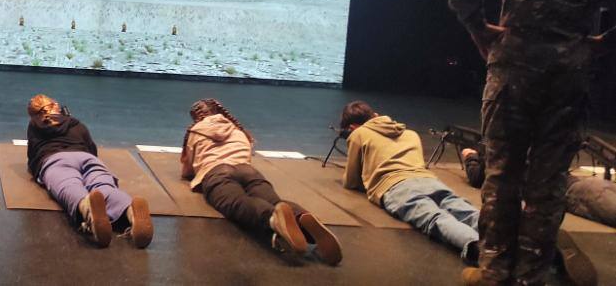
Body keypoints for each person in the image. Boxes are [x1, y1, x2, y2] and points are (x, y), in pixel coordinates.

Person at [447, 0, 615, 286]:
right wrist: (604, 43)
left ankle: (494, 272)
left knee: (502, 175)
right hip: (570, 80)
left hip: (513, 75)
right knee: (549, 181)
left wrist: (479, 30)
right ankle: (531, 277)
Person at [181, 98, 342, 264]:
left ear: (196, 116)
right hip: (248, 171)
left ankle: (272, 219)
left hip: (217, 173)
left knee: (236, 201)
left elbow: (187, 170)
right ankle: (302, 217)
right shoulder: (238, 130)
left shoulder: (195, 132)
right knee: (274, 201)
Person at [340, 100, 481, 265]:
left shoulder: (359, 134)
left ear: (352, 127)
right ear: (375, 115)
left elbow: (351, 181)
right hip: (428, 181)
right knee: (463, 210)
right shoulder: (411, 134)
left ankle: (476, 247)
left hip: (396, 187)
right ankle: (502, 237)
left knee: (434, 217)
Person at [26, 94, 152, 248]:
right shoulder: (76, 124)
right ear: (55, 105)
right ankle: (130, 210)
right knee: (104, 184)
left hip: (55, 160)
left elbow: (33, 156)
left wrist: (37, 171)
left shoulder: (35, 127)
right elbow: (91, 148)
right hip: (87, 157)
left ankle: (89, 209)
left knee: (69, 186)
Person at [462, 147, 616, 229]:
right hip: (584, 186)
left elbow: (477, 177)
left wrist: (470, 156)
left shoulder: (505, 155)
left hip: (577, 191)